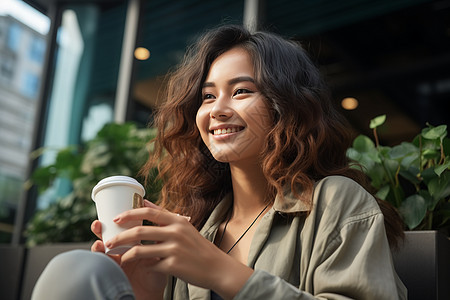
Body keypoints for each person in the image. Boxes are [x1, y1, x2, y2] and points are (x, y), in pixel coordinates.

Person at [32, 24, 407, 300]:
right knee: (78, 269)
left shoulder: (335, 202)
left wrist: (221, 271)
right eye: (208, 97)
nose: (217, 111)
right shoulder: (196, 225)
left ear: (287, 105)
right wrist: (147, 292)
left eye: (241, 91)